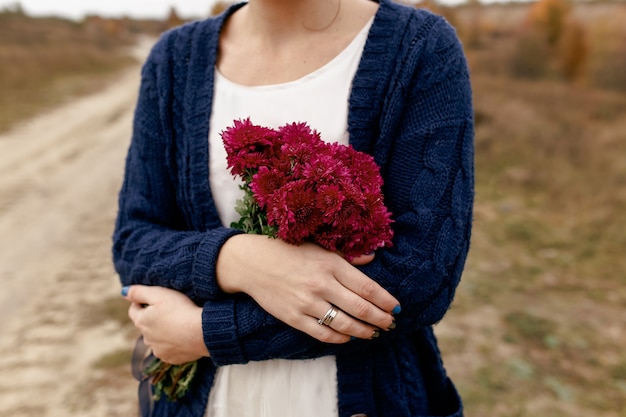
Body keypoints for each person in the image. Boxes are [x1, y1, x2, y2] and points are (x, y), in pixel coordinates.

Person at [113, 0, 474, 416]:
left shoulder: (420, 47)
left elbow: (423, 276)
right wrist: (236, 260)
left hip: (363, 394)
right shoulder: (175, 59)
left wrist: (208, 332)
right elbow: (135, 240)